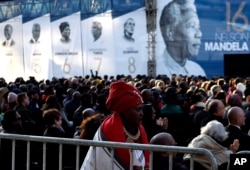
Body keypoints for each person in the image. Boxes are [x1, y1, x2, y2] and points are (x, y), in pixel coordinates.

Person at [81, 81, 150, 169]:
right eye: (138, 109)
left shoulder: (140, 128)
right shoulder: (109, 129)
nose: (142, 113)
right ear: (125, 110)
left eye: (142, 109)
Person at [157, 0, 206, 77]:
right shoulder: (155, 71)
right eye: (191, 26)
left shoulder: (198, 71)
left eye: (198, 27)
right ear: (170, 32)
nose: (199, 34)